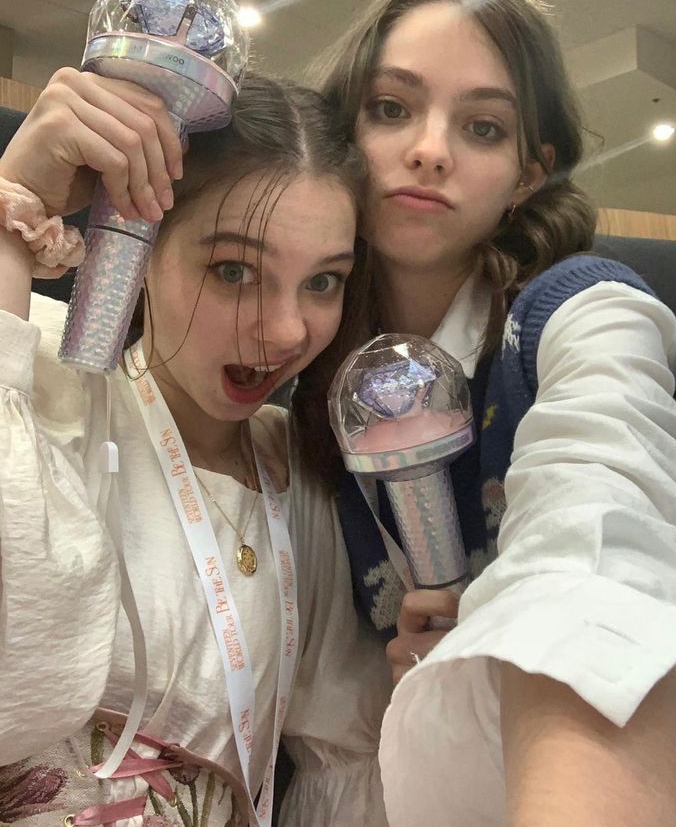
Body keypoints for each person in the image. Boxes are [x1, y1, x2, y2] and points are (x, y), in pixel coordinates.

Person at [291, 0, 676, 827]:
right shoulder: (298, 368)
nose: (429, 147)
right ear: (343, 133)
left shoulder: (584, 318)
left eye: (483, 127)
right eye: (391, 108)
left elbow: (603, 533)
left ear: (528, 176)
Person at [0, 69, 391, 826]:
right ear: (139, 241)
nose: (285, 331)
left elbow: (337, 755)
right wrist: (14, 197)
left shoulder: (302, 478)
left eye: (323, 282)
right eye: (235, 269)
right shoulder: (42, 380)